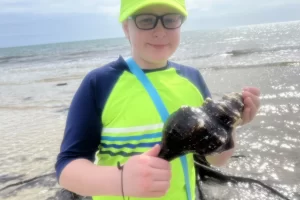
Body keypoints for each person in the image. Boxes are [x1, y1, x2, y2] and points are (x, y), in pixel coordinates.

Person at [55, 0, 261, 199]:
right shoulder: (100, 83)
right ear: (126, 27)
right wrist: (120, 180)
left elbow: (216, 158)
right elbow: (67, 169)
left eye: (170, 20)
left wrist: (231, 124)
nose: (160, 31)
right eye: (146, 20)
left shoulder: (192, 78)